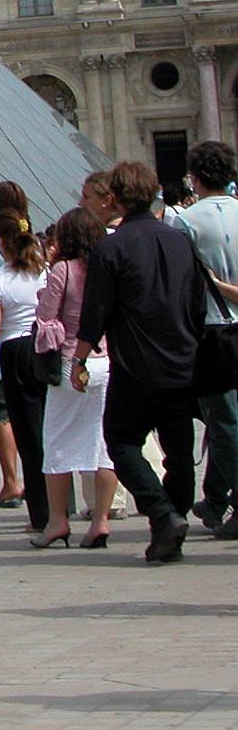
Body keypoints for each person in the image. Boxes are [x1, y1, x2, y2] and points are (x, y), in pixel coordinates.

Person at [76, 160, 201, 563]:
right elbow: (197, 301)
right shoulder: (179, 241)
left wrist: (79, 358)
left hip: (135, 362)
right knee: (178, 451)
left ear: (115, 198)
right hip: (182, 358)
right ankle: (173, 524)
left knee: (122, 441)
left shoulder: (111, 248)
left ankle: (163, 515)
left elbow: (96, 311)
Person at [35, 206, 117, 548]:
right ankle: (100, 520)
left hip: (72, 361)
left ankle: (58, 521)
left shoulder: (63, 270)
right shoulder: (108, 267)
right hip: (106, 360)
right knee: (103, 444)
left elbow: (46, 317)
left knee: (57, 441)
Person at [167, 139, 238, 535]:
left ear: (194, 178)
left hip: (212, 329)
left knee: (223, 421)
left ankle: (231, 500)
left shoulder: (186, 222)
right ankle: (214, 498)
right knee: (225, 421)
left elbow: (180, 285)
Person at [0, 213, 49, 537]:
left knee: (28, 434)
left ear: (2, 243)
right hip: (44, 347)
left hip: (14, 350)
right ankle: (63, 503)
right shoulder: (44, 272)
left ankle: (41, 512)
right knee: (51, 428)